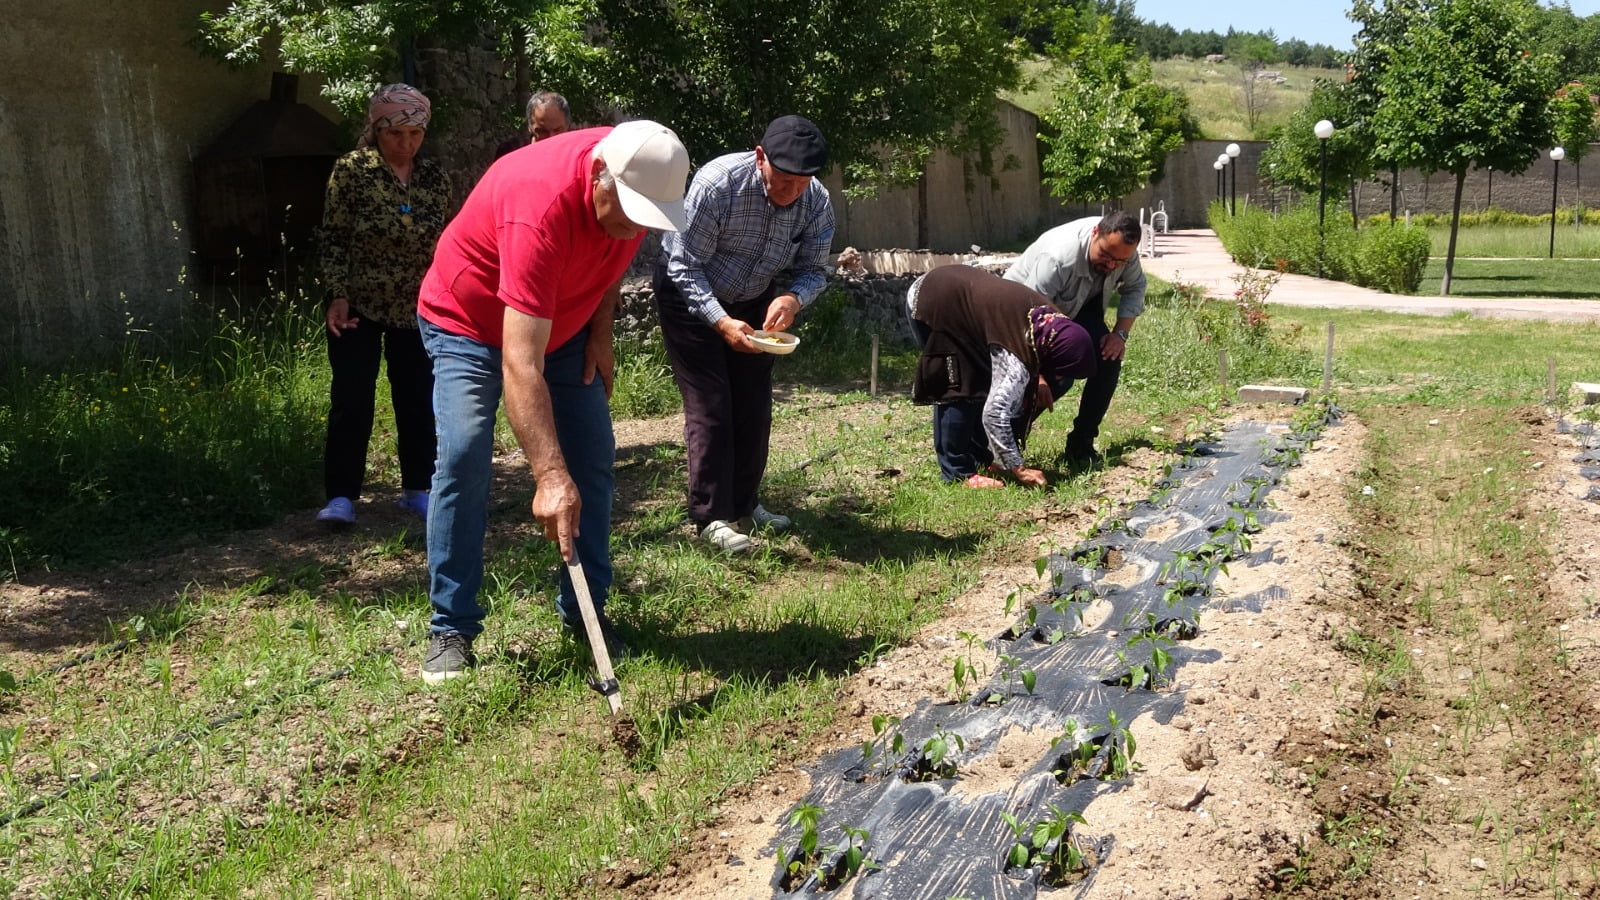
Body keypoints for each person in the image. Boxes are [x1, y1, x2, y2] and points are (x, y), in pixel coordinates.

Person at [415, 120, 690, 684]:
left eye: (647, 217)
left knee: (592, 457)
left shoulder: (638, 178)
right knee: (466, 453)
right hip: (467, 323)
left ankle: (586, 618)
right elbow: (521, 362)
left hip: (564, 329)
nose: (635, 228)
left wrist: (600, 332)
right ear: (598, 177)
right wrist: (546, 474)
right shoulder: (538, 205)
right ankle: (452, 626)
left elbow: (609, 260)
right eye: (629, 213)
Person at [654, 114, 835, 554]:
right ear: (760, 158)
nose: (791, 190)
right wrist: (719, 321)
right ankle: (711, 517)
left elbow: (814, 269)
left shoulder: (815, 201)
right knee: (712, 404)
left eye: (802, 182)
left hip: (755, 299)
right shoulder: (718, 184)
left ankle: (745, 504)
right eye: (784, 178)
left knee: (753, 403)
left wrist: (793, 299)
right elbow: (684, 265)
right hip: (690, 295)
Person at [314, 84, 453, 526]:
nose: (406, 143)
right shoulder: (352, 171)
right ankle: (341, 496)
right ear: (377, 130)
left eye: (415, 133)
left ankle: (417, 488)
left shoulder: (435, 178)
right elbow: (333, 237)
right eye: (396, 134)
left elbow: (448, 241)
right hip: (360, 305)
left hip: (418, 307)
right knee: (352, 400)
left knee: (416, 399)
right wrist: (337, 293)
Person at [907, 264, 1097, 488]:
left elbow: (1036, 356)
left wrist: (1040, 378)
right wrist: (1020, 469)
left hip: (959, 292)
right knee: (959, 387)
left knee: (984, 382)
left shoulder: (1050, 323)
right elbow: (994, 415)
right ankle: (957, 473)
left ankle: (981, 459)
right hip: (935, 299)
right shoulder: (1016, 356)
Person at [1003, 210, 1145, 467]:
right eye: (1106, 255)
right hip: (1019, 314)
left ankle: (1081, 443)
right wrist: (1037, 375)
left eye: (1119, 261)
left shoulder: (1124, 251)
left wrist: (1119, 335)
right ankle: (1006, 444)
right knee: (1054, 380)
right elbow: (1026, 313)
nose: (1112, 265)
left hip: (1077, 307)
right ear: (1094, 234)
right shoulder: (1058, 258)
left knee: (1108, 359)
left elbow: (1135, 287)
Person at [493, 91, 572, 160]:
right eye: (542, 131)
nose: (550, 137)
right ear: (530, 127)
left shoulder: (574, 154)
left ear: (567, 126)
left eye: (557, 130)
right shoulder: (510, 152)